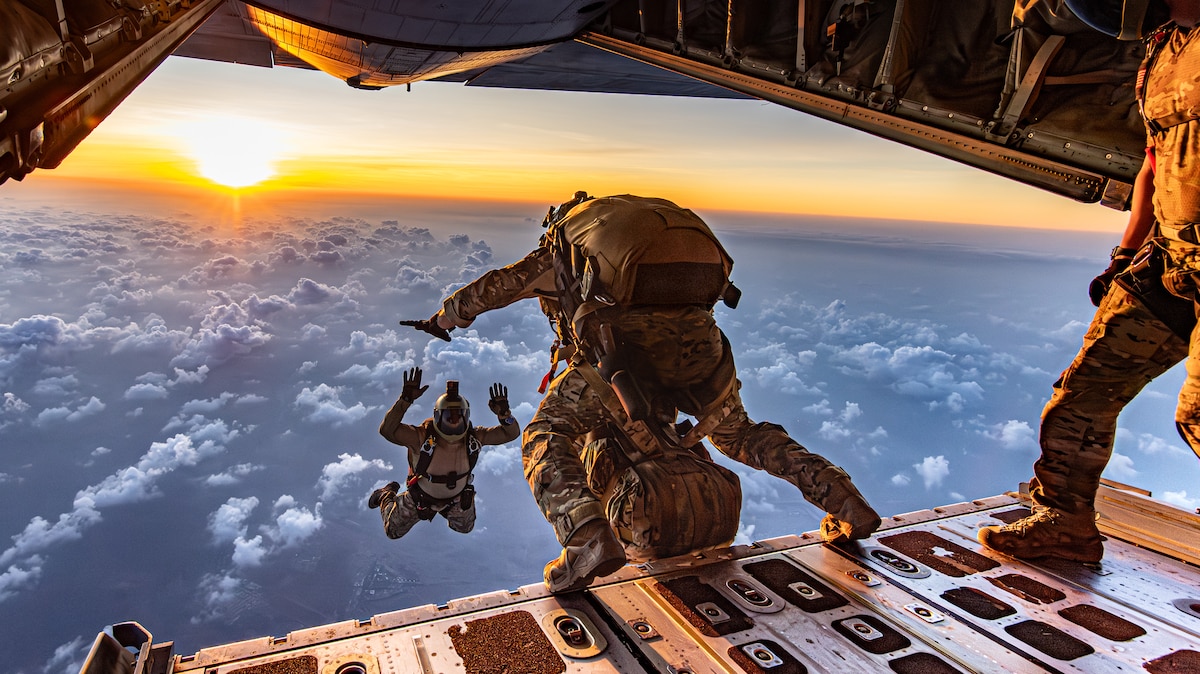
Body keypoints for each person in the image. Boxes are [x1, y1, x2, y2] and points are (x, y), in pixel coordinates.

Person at [407, 193, 880, 593]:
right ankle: (842, 499)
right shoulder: (623, 253)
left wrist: (443, 319)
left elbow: (492, 290)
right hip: (702, 347)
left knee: (546, 435)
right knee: (740, 435)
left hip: (623, 354)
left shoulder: (563, 255)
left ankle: (585, 537)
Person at [979, 0, 1200, 563]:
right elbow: (1152, 162)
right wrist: (1125, 254)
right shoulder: (1162, 50)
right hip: (1170, 258)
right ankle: (1065, 522)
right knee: (1080, 399)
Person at [369, 368, 520, 539]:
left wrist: (504, 415)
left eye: (459, 416)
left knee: (464, 528)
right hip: (421, 497)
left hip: (456, 497)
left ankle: (445, 509)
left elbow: (511, 434)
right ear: (437, 416)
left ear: (467, 416)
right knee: (393, 531)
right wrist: (405, 400)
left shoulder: (474, 437)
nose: (454, 421)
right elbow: (387, 431)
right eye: (449, 416)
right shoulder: (421, 437)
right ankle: (385, 494)